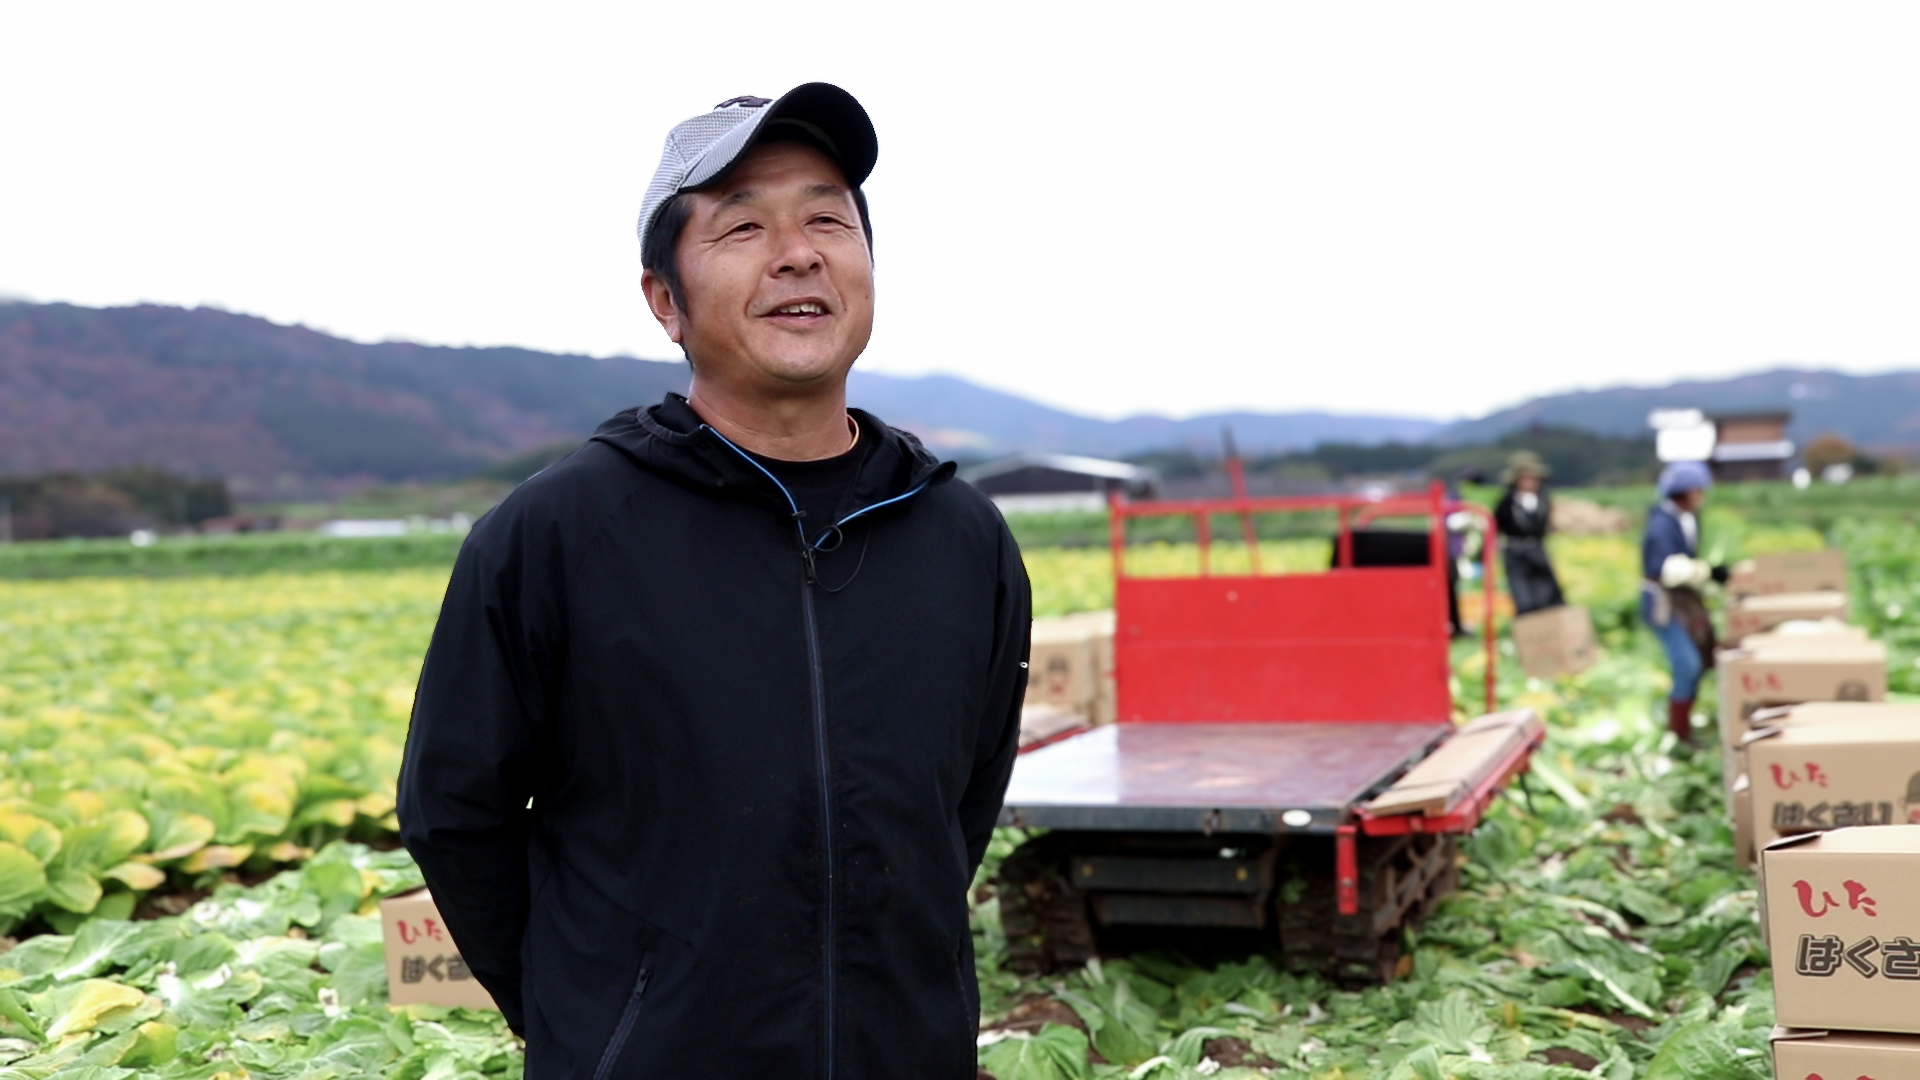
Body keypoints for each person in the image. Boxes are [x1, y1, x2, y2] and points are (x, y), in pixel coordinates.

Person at [397, 84, 1032, 1079]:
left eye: (828, 217)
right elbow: (454, 809)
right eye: (744, 227)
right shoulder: (557, 533)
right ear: (666, 301)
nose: (799, 252)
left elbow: (959, 802)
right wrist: (591, 1017)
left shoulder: (961, 537)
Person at [1641, 461, 1727, 743]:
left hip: (1682, 600)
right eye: (1698, 491)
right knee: (1686, 664)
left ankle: (1684, 726)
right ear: (1687, 492)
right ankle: (1678, 733)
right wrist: (1706, 571)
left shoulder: (1685, 519)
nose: (1701, 496)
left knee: (1700, 661)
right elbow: (1665, 568)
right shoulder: (1661, 524)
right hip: (1663, 602)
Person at [1493, 451, 1565, 615]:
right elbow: (1497, 525)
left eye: (1533, 478)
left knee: (1547, 594)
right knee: (1524, 598)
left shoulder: (1542, 500)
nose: (1530, 482)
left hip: (1537, 549)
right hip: (1515, 551)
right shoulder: (1507, 502)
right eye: (1525, 478)